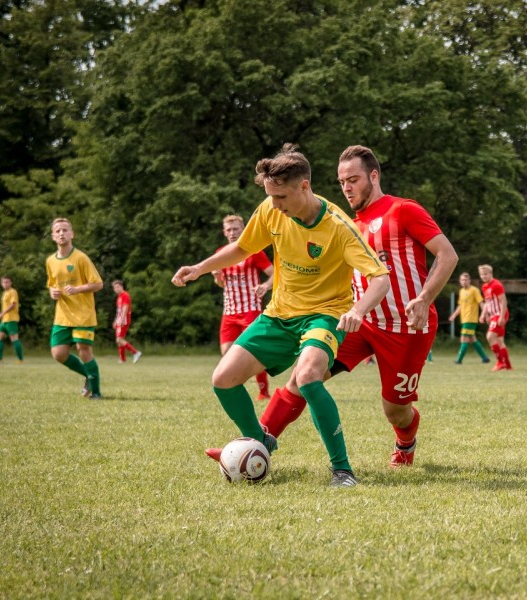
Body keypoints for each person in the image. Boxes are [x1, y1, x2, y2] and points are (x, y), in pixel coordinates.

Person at [173, 144, 390, 487]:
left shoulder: (339, 226)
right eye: (270, 197)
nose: (274, 205)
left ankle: (343, 471)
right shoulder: (271, 209)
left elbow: (380, 278)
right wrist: (200, 268)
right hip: (278, 314)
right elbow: (244, 247)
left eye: (281, 197)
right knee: (223, 378)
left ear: (305, 186)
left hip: (324, 314)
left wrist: (358, 310)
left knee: (307, 378)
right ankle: (259, 442)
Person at [247, 144, 458, 469]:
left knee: (395, 410)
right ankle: (255, 447)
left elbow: (447, 255)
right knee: (304, 376)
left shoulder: (403, 210)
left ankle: (405, 441)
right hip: (357, 324)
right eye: (342, 181)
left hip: (407, 329)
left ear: (374, 176)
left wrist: (425, 297)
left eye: (354, 179)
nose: (347, 187)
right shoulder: (343, 222)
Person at [212, 215, 274, 399]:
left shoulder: (253, 251)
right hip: (229, 312)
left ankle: (263, 392)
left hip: (250, 310)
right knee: (227, 355)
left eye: (236, 229)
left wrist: (265, 286)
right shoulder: (221, 252)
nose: (232, 233)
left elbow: (274, 273)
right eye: (229, 230)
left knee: (253, 352)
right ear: (224, 232)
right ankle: (235, 389)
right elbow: (223, 284)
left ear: (243, 230)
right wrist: (217, 277)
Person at [46, 217, 104, 399]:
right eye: (58, 231)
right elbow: (51, 284)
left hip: (83, 314)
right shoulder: (50, 261)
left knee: (83, 350)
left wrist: (78, 288)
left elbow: (98, 284)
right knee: (58, 353)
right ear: (53, 236)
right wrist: (52, 292)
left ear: (72, 234)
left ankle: (96, 393)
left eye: (65, 230)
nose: (61, 233)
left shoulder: (81, 258)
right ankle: (88, 375)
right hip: (62, 315)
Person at [448, 272, 491, 364]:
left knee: (464, 339)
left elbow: (481, 303)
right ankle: (485, 358)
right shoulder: (461, 291)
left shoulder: (474, 290)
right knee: (472, 339)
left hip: (471, 319)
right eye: (462, 280)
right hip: (464, 319)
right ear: (460, 281)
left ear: (469, 280)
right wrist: (454, 315)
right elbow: (460, 305)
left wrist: (486, 315)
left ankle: (459, 360)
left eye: (466, 280)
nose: (464, 282)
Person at [479, 264, 512, 370]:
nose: (483, 276)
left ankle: (500, 362)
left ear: (491, 274)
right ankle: (507, 365)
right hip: (493, 315)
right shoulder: (484, 287)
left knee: (490, 336)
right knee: (499, 340)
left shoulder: (496, 285)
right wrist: (483, 314)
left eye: (485, 274)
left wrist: (501, 317)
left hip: (499, 314)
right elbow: (487, 302)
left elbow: (503, 301)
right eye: (481, 274)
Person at [0, 276, 24, 364]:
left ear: (11, 283)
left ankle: (20, 359)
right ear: (1, 284)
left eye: (7, 282)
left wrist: (2, 313)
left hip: (11, 320)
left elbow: (13, 305)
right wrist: (2, 314)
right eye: (4, 282)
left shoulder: (13, 292)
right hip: (4, 320)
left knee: (14, 339)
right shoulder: (5, 293)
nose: (5, 284)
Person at [112, 280, 142, 364]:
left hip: (124, 320)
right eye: (115, 288)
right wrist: (115, 321)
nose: (116, 289)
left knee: (119, 339)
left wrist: (121, 319)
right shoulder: (119, 297)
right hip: (119, 320)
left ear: (122, 287)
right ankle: (122, 359)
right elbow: (119, 311)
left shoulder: (125, 295)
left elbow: (125, 308)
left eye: (118, 287)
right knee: (119, 340)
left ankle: (135, 352)